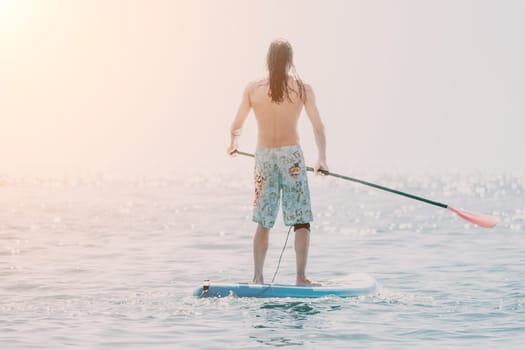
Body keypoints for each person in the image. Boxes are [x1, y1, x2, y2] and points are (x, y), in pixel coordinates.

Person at [227, 39, 328, 286]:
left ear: (268, 61)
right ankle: (300, 277)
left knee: (264, 220)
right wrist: (321, 159)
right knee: (301, 220)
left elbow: (236, 125)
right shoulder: (302, 89)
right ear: (290, 61)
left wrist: (233, 144)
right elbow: (318, 127)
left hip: (264, 157)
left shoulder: (253, 89)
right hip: (291, 157)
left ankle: (257, 277)